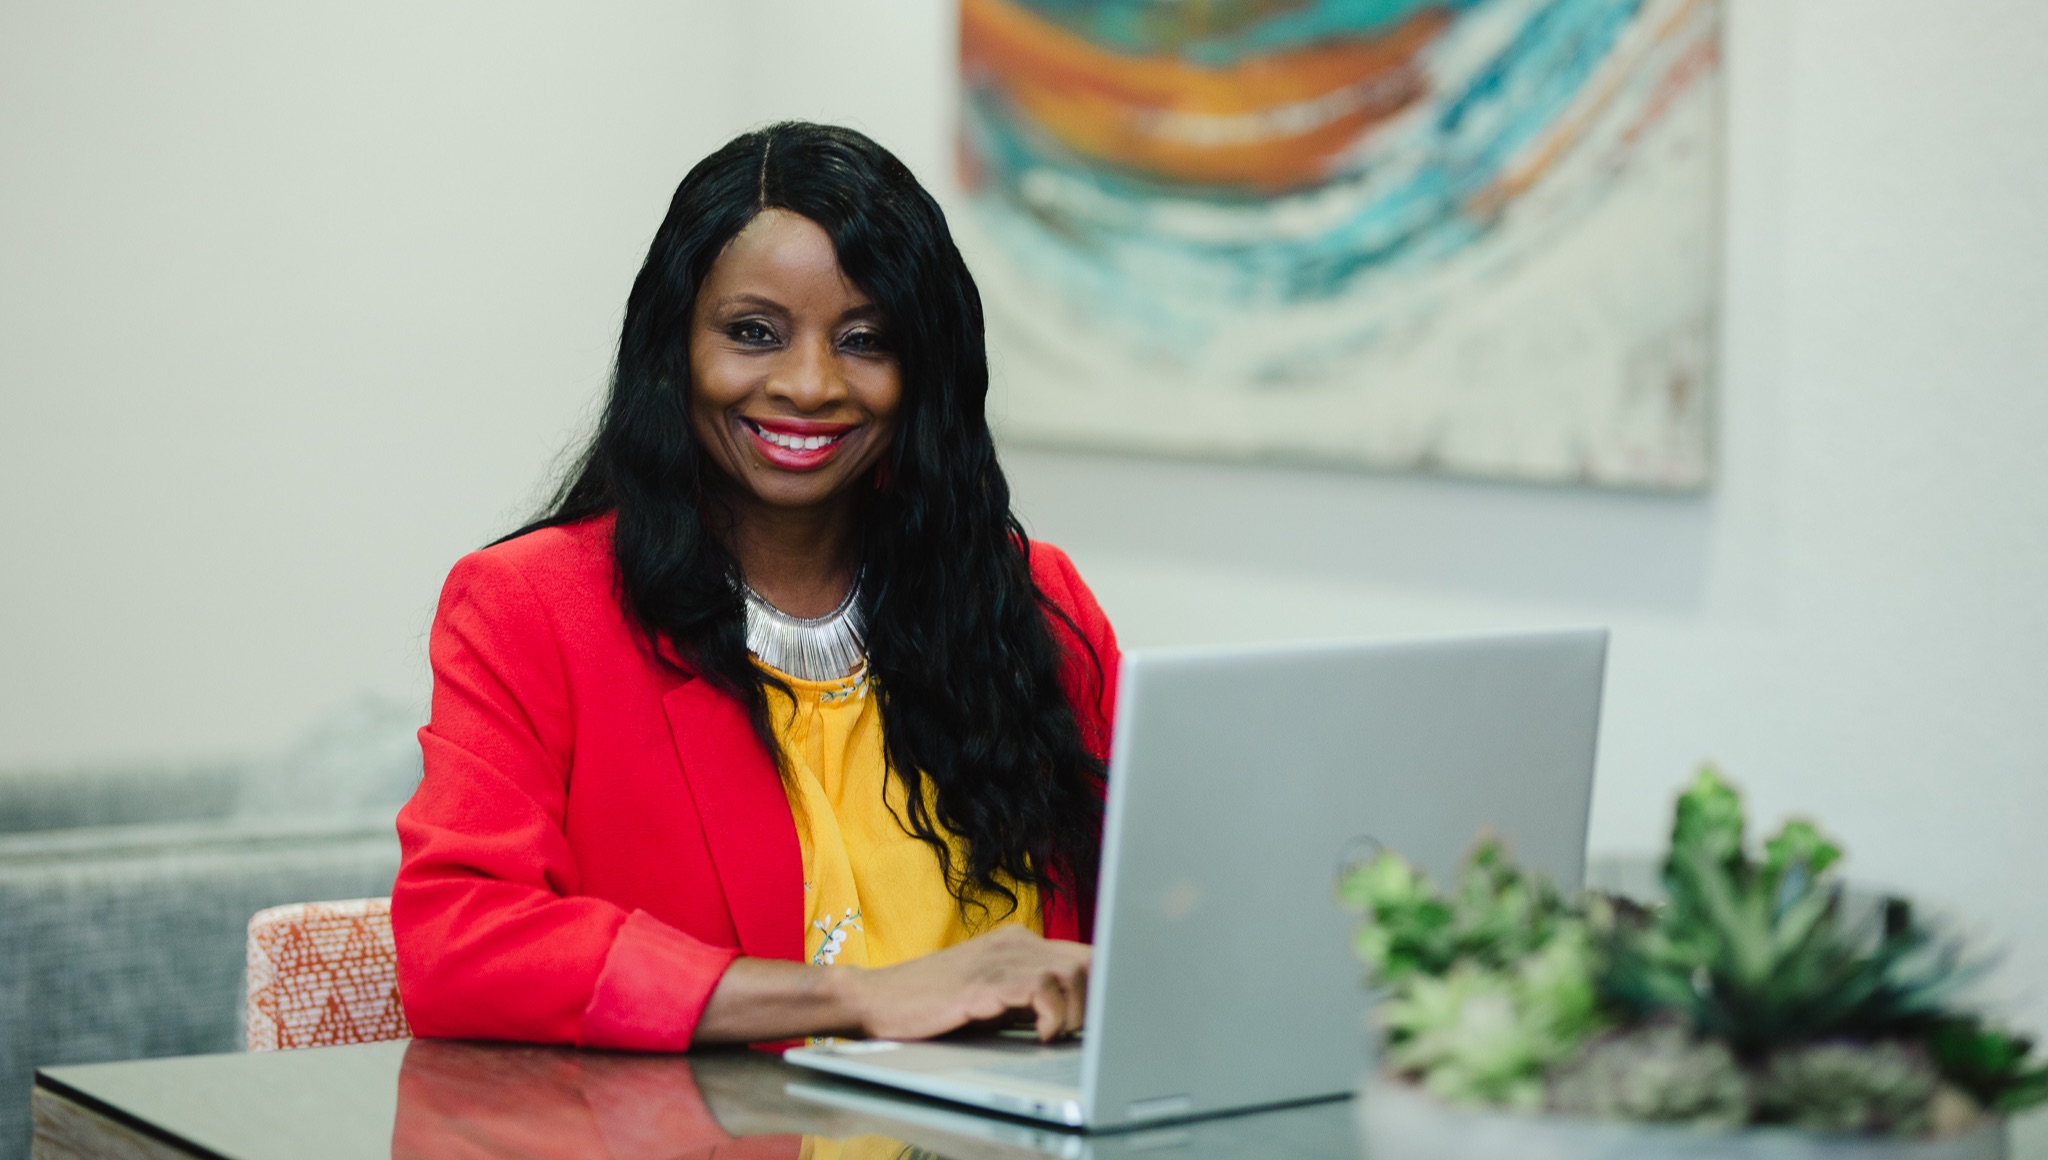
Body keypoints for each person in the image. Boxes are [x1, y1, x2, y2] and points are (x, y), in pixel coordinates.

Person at [391, 122, 1119, 1051]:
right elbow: (459, 942)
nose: (809, 385)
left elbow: (1166, 897)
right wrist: (857, 999)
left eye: (865, 339)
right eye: (752, 333)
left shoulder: (1033, 600)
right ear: (674, 349)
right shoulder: (530, 607)